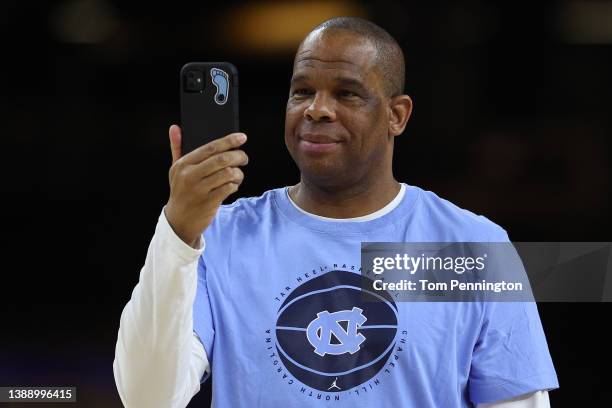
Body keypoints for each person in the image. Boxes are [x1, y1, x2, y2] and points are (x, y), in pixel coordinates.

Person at [113, 17, 558, 408]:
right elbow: (148, 398)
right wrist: (178, 231)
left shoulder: (473, 246)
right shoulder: (219, 236)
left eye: (347, 93)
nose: (317, 109)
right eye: (302, 91)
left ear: (397, 115)